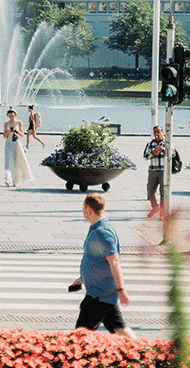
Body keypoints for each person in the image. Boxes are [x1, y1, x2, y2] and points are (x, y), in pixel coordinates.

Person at [69, 193, 136, 338]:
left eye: (83, 206)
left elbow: (114, 262)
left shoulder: (103, 232)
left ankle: (79, 359)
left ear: (88, 209)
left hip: (99, 293)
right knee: (119, 327)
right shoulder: (96, 228)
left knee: (80, 334)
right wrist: (82, 278)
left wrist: (121, 290)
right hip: (102, 291)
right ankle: (142, 351)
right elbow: (96, 259)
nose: (82, 209)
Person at [3, 109, 33, 187]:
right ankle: (7, 178)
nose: (11, 118)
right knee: (8, 161)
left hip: (16, 144)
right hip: (8, 143)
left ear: (15, 115)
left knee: (16, 162)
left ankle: (15, 181)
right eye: (9, 116)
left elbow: (22, 134)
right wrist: (9, 132)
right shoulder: (6, 123)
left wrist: (16, 131)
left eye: (12, 116)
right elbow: (4, 136)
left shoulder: (19, 122)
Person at [143, 126, 166, 219]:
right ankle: (155, 208)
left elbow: (173, 154)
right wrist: (153, 153)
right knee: (151, 191)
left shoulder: (167, 143)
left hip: (164, 170)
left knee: (163, 193)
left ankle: (162, 213)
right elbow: (145, 156)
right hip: (153, 170)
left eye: (158, 131)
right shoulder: (150, 144)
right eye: (155, 132)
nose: (156, 134)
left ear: (162, 132)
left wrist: (163, 150)